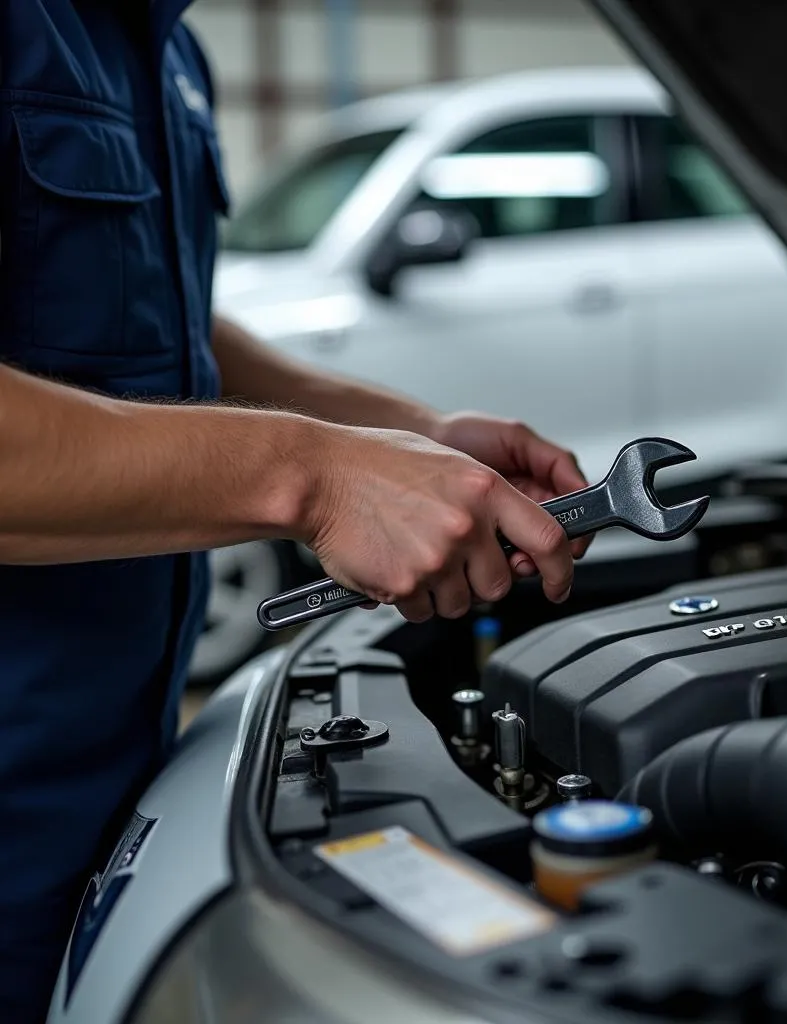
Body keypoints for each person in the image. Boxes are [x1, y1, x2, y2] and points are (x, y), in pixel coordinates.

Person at [0, 3, 589, 1020]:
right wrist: (313, 477)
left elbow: (158, 329)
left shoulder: (163, 45)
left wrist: (401, 431)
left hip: (111, 790)